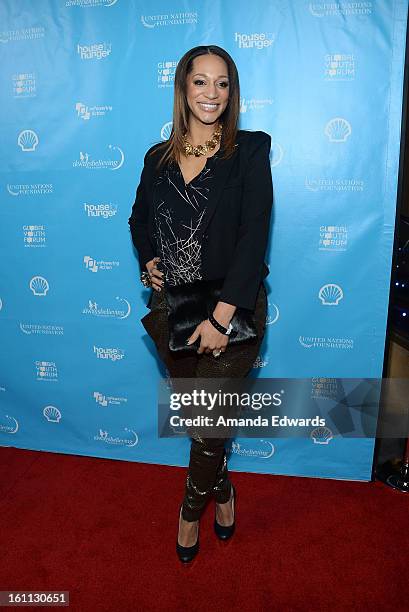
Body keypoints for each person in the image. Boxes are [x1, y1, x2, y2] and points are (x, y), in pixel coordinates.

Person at [128, 45, 273, 562]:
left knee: (209, 423)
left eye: (223, 83)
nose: (212, 93)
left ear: (232, 92)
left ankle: (191, 511)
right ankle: (225, 489)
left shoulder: (250, 151)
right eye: (200, 82)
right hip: (175, 312)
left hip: (230, 312)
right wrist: (148, 260)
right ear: (183, 89)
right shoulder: (157, 157)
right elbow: (138, 220)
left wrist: (222, 316)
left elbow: (255, 237)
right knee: (200, 422)